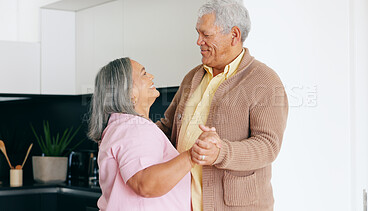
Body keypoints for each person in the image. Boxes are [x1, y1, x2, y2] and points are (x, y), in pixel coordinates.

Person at [156, 0, 288, 210]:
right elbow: (167, 127)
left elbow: (268, 145)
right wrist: (130, 133)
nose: (198, 41)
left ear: (234, 35)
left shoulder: (264, 80)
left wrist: (220, 152)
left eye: (206, 35)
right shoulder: (192, 77)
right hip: (182, 203)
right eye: (198, 33)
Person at [87, 57, 193, 211]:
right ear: (129, 93)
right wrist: (192, 156)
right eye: (144, 74)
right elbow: (145, 185)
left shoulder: (120, 126)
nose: (151, 77)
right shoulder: (135, 127)